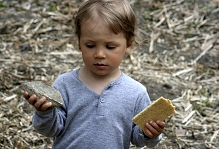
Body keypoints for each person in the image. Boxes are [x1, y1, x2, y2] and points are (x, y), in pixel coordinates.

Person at [23, 0, 165, 148]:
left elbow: (138, 139)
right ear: (79, 42)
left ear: (128, 44)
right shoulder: (64, 84)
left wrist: (150, 133)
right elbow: (50, 130)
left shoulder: (136, 93)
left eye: (110, 47)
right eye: (90, 45)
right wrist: (44, 113)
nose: (99, 54)